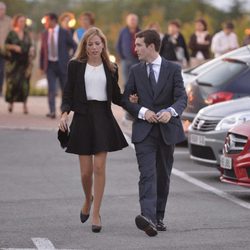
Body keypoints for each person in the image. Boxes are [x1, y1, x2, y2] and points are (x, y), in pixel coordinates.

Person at [59, 27, 128, 233]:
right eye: (90, 44)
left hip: (103, 118)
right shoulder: (75, 66)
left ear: (103, 45)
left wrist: (131, 100)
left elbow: (116, 96)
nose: (94, 47)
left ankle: (96, 212)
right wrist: (64, 114)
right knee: (85, 172)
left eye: (98, 43)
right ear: (85, 46)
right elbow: (68, 93)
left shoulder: (111, 67)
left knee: (99, 168)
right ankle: (87, 200)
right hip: (82, 117)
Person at [122, 29, 187, 237]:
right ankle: (147, 217)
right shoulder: (135, 70)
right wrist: (142, 110)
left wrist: (170, 111)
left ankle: (158, 217)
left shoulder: (174, 69)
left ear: (151, 46)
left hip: (167, 130)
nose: (135, 49)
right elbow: (126, 99)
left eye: (139, 45)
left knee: (163, 176)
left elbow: (181, 98)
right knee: (147, 174)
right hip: (144, 132)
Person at [40, 13, 76, 119]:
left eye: (46, 21)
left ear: (53, 21)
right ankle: (52, 111)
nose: (45, 24)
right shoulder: (44, 33)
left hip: (63, 65)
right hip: (50, 65)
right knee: (51, 89)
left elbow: (74, 45)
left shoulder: (64, 32)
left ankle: (63, 111)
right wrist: (41, 66)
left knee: (64, 89)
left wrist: (71, 58)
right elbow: (42, 51)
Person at [4, 14, 35, 114]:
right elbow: (5, 46)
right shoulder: (12, 33)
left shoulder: (27, 34)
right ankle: (11, 103)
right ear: (16, 22)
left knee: (25, 85)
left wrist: (31, 49)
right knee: (12, 84)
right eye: (20, 21)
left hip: (24, 63)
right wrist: (14, 47)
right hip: (13, 63)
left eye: (24, 21)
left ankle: (25, 105)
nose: (22, 23)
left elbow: (31, 45)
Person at [116, 13, 140, 85]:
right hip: (125, 59)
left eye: (134, 20)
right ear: (127, 21)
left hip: (137, 60)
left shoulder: (140, 31)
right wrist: (122, 56)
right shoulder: (123, 31)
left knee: (136, 79)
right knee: (126, 80)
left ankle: (136, 95)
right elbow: (118, 45)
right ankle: (127, 95)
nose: (132, 21)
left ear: (137, 21)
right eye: (131, 20)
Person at [0, 1, 11, 96]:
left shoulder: (9, 21)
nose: (1, 11)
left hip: (4, 51)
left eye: (3, 9)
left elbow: (12, 35)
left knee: (1, 71)